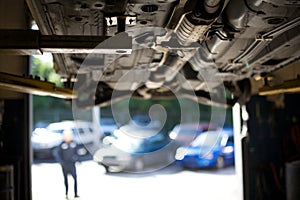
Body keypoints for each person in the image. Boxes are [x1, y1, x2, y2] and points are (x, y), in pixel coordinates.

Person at [53, 129, 80, 199]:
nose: (68, 137)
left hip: (72, 164)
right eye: (66, 135)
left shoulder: (74, 143)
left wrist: (77, 159)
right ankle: (66, 193)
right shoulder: (62, 144)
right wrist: (61, 162)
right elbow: (57, 153)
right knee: (66, 179)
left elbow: (77, 152)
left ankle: (75, 193)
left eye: (69, 135)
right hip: (65, 164)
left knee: (75, 179)